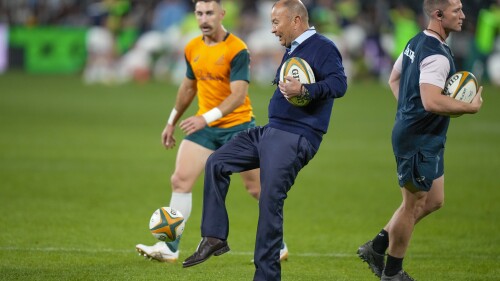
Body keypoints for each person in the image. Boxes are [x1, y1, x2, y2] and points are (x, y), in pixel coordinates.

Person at [182, 1, 347, 280]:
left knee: (270, 200)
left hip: (296, 136)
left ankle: (266, 276)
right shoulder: (293, 48)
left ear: (296, 21)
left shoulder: (323, 47)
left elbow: (340, 84)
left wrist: (305, 88)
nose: (272, 30)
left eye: (276, 23)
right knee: (217, 161)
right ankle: (214, 236)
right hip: (271, 131)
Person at [135, 0, 289, 263]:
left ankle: (278, 245)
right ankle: (169, 248)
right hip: (205, 130)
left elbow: (238, 96)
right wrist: (172, 120)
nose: (204, 19)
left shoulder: (237, 49)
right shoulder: (192, 47)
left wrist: (204, 119)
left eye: (209, 13)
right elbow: (187, 88)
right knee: (180, 180)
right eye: (199, 13)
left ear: (221, 14)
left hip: (238, 128)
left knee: (257, 189)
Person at [357, 1, 483, 280]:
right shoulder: (437, 56)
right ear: (438, 14)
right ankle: (392, 272)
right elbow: (430, 100)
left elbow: (394, 79)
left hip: (425, 136)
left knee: (434, 200)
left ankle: (376, 246)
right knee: (411, 205)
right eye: (456, 11)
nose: (463, 15)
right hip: (418, 140)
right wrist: (468, 107)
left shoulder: (417, 42)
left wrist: (406, 112)